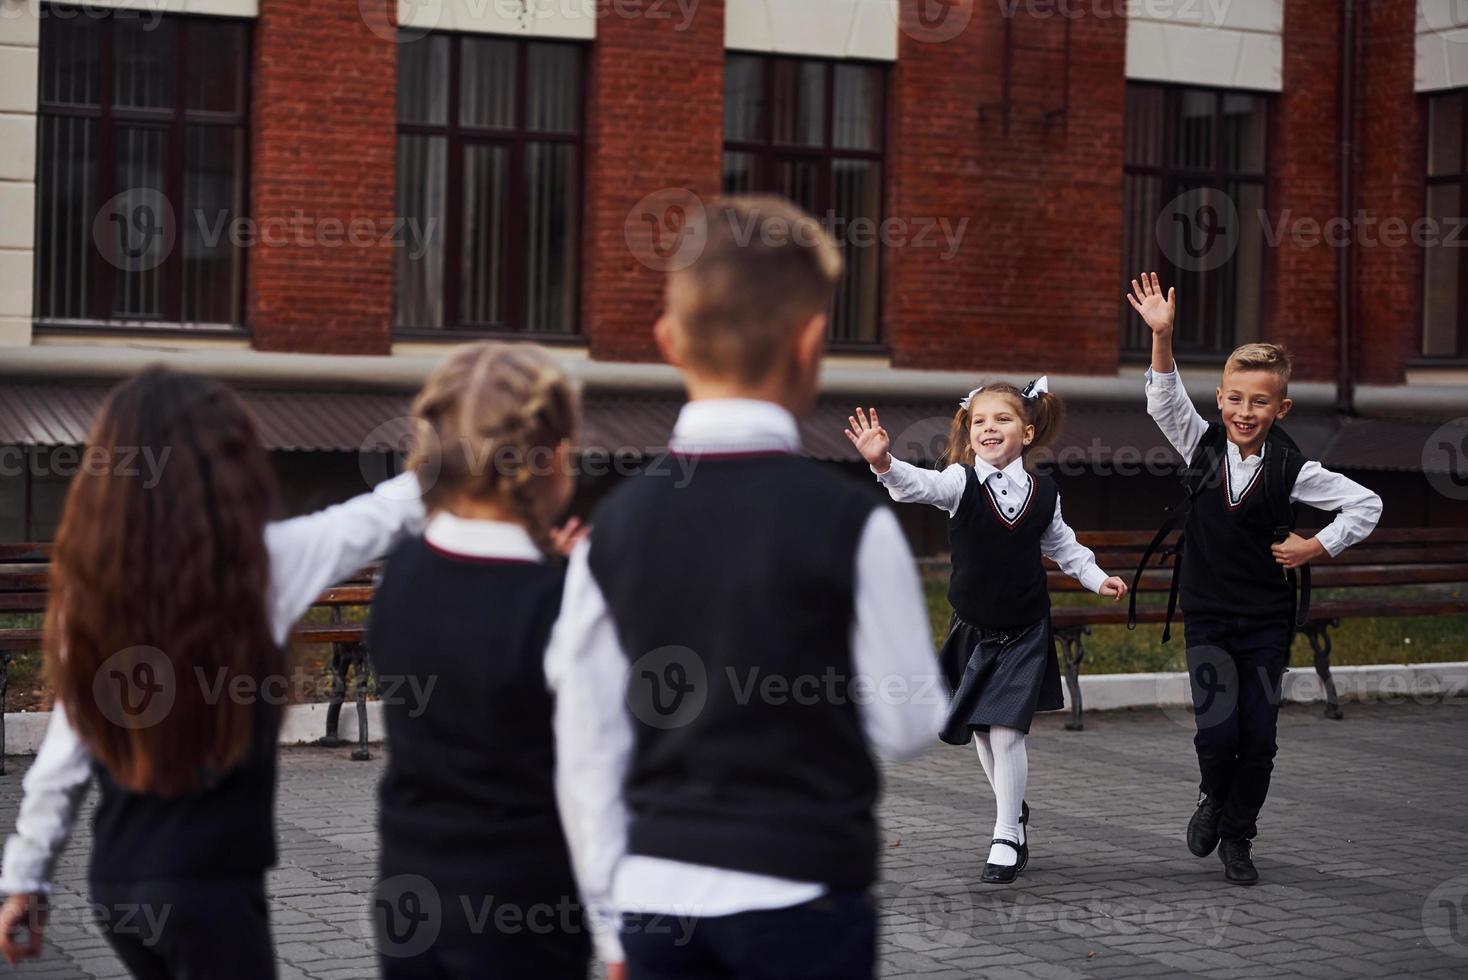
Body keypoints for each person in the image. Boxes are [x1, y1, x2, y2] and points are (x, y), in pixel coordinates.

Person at [547, 196, 945, 980]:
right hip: (805, 896)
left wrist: (607, 925)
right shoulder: (850, 523)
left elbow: (585, 740)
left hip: (656, 899)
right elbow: (909, 723)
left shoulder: (615, 530)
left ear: (668, 342)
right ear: (811, 343)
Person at [0, 368, 425, 977]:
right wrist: (465, 444)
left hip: (119, 885)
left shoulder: (91, 590)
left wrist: (25, 881)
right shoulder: (265, 567)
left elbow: (64, 758)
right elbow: (379, 515)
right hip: (211, 893)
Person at [1128, 272, 1382, 884]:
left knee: (1260, 736)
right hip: (1209, 617)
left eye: (1260, 402)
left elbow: (1367, 504)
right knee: (1217, 732)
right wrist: (1163, 337)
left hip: (1267, 623)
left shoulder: (1294, 469)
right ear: (1220, 399)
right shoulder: (1201, 444)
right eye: (1236, 399)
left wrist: (1314, 545)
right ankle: (1214, 795)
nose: (1246, 411)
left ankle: (1239, 838)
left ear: (1281, 408)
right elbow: (1163, 400)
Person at [367, 342, 591, 978]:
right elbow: (593, 778)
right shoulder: (558, 602)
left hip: (409, 894)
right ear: (549, 459)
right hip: (524, 910)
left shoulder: (403, 573)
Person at [846, 380, 1128, 884]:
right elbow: (919, 486)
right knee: (981, 731)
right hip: (973, 628)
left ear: (1027, 429)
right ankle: (1014, 811)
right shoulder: (959, 483)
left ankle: (1004, 833)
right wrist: (884, 464)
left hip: (1024, 628)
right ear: (969, 432)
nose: (989, 428)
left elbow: (1065, 546)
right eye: (979, 421)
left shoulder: (1044, 494)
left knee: (1005, 728)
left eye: (1001, 419)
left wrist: (1096, 577)